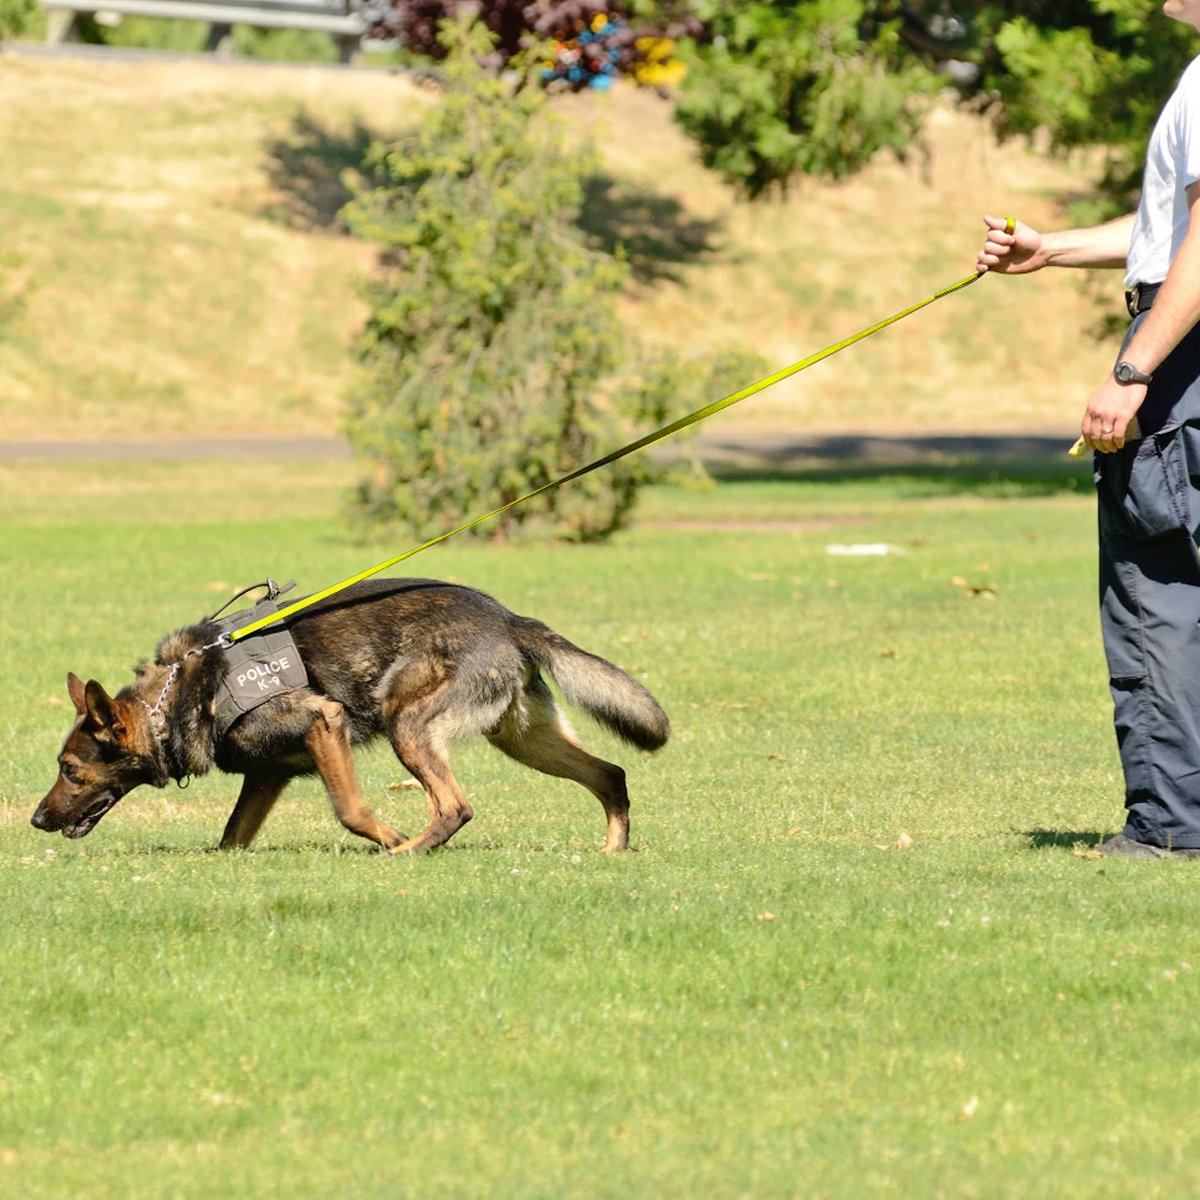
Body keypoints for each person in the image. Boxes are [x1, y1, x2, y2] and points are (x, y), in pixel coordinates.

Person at [977, 0, 1200, 858]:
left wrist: (1133, 370)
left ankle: (1174, 829)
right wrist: (1054, 248)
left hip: (1181, 357)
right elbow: (1169, 230)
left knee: (1160, 589)